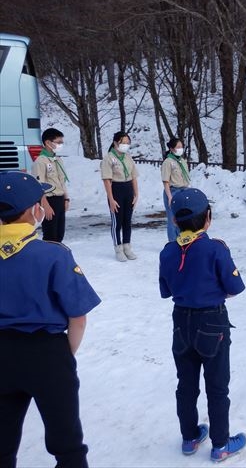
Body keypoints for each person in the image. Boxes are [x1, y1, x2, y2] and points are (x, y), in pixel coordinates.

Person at [0, 172, 101, 468]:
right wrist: (61, 356)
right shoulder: (53, 254)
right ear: (34, 211)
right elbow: (78, 317)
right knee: (67, 444)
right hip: (47, 353)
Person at [159, 188, 246, 462]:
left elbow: (166, 290)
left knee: (186, 384)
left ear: (174, 221)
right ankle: (220, 444)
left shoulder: (168, 251)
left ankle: (189, 437)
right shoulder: (215, 248)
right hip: (211, 320)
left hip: (180, 321)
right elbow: (234, 287)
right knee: (217, 386)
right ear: (208, 218)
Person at [100, 131, 139, 262]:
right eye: (124, 142)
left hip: (128, 189)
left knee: (127, 220)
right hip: (116, 189)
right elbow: (107, 180)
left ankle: (127, 246)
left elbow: (134, 176)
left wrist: (136, 194)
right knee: (117, 221)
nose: (126, 145)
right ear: (116, 142)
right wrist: (111, 199)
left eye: (128, 143)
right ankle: (118, 248)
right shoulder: (109, 158)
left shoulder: (128, 157)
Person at [31, 128, 70, 242]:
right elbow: (39, 186)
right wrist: (45, 205)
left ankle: (57, 258)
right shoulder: (40, 161)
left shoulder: (57, 159)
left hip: (60, 199)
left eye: (61, 142)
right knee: (50, 235)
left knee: (59, 234)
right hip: (49, 200)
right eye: (58, 142)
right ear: (48, 142)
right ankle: (49, 258)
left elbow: (62, 181)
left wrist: (66, 199)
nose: (60, 145)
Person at [161, 137, 190, 242]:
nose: (181, 149)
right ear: (172, 149)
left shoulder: (182, 161)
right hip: (173, 191)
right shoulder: (168, 162)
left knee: (182, 218)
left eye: (182, 147)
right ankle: (173, 242)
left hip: (184, 191)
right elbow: (166, 181)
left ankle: (181, 240)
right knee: (172, 219)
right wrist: (169, 197)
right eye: (178, 147)